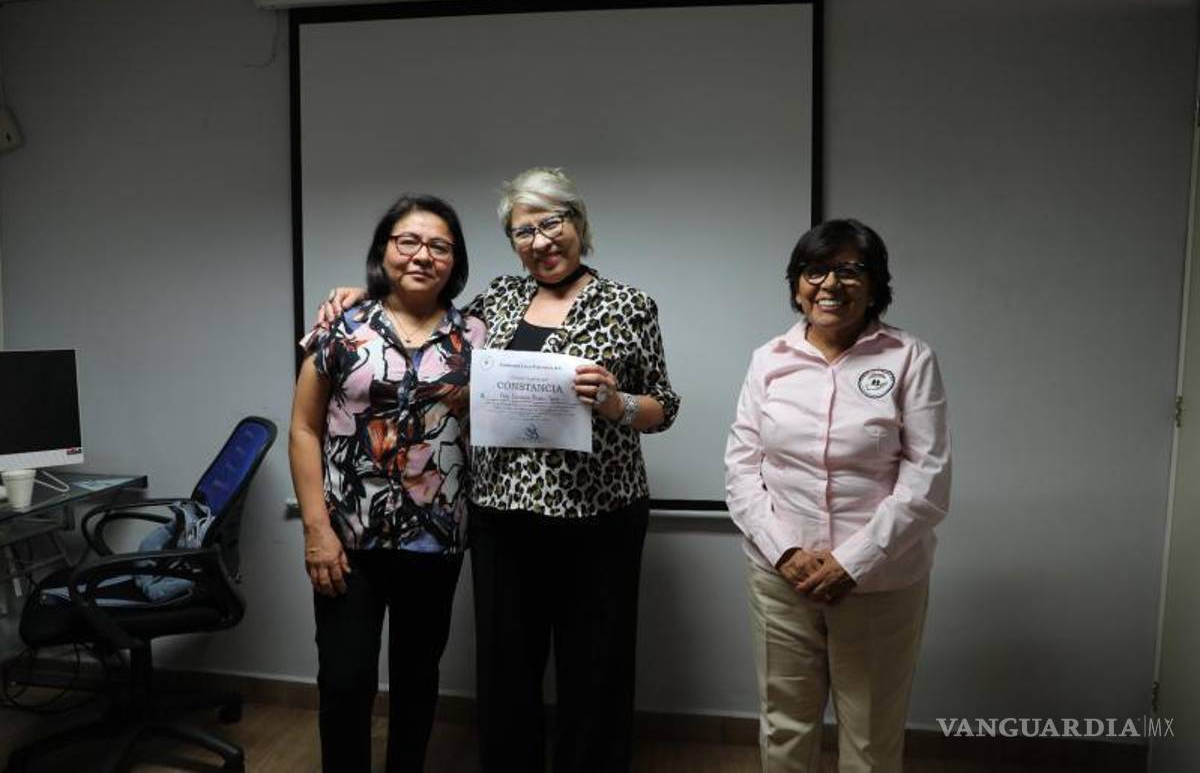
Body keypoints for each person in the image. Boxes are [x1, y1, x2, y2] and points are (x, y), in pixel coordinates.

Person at [318, 167, 680, 772]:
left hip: (601, 519)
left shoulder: (630, 305)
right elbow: (427, 323)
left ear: (578, 225)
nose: (540, 241)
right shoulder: (496, 302)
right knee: (507, 670)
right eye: (523, 230)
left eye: (551, 223)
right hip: (503, 518)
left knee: (596, 669)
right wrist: (356, 295)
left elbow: (663, 407)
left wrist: (616, 403)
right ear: (512, 242)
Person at [724, 218, 951, 773]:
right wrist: (785, 552)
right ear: (797, 284)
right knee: (784, 726)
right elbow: (741, 468)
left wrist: (852, 561)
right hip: (782, 580)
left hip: (879, 582)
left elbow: (928, 478)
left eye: (851, 270)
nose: (831, 283)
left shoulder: (908, 358)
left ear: (875, 285)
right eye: (815, 270)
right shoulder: (768, 359)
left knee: (871, 738)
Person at [289, 193, 484, 773]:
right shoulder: (340, 326)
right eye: (409, 241)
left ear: (455, 260)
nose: (423, 255)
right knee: (345, 681)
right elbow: (302, 429)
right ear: (384, 251)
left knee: (418, 680)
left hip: (436, 538)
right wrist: (316, 530)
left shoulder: (479, 335)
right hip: (347, 540)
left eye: (439, 246)